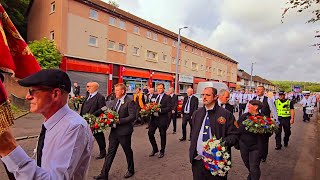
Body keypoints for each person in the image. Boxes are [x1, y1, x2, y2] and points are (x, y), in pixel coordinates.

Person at [0, 69, 94, 179]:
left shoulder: (74, 127)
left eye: (32, 91)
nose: (27, 97)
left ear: (55, 94)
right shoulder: (51, 122)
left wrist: (10, 149)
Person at [189, 87, 238, 180]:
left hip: (216, 161)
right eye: (203, 95)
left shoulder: (226, 114)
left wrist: (221, 144)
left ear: (215, 97)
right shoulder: (197, 113)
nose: (204, 97)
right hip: (198, 160)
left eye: (207, 95)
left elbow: (235, 135)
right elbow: (193, 133)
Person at [94, 83, 136, 180]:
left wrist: (119, 121)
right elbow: (109, 110)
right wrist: (102, 117)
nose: (115, 92)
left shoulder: (130, 102)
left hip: (124, 132)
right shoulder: (115, 100)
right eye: (115, 90)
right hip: (114, 132)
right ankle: (104, 174)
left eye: (117, 90)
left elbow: (132, 116)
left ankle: (131, 169)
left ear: (122, 91)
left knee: (127, 151)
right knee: (110, 153)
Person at [238, 100, 271, 180]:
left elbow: (269, 133)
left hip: (256, 147)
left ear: (256, 107)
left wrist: (262, 130)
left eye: (249, 105)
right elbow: (237, 128)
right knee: (248, 165)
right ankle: (251, 176)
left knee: (254, 167)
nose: (248, 106)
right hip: (244, 146)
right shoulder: (244, 116)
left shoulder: (263, 118)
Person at [247, 86, 278, 162]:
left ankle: (263, 155)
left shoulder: (268, 100)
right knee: (254, 140)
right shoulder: (252, 100)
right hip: (253, 123)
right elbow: (246, 110)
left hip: (264, 124)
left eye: (260, 90)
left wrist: (275, 121)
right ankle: (255, 154)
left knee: (264, 140)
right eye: (257, 89)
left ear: (264, 91)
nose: (257, 91)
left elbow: (273, 110)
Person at [80, 82, 107, 159]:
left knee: (99, 136)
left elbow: (104, 108)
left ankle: (103, 151)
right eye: (87, 86)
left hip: (94, 121)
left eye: (89, 86)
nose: (87, 88)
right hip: (84, 120)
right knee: (84, 136)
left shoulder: (100, 97)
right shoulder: (88, 95)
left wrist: (93, 114)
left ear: (95, 88)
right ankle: (84, 152)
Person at [148, 83, 171, 158]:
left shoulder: (167, 97)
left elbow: (169, 108)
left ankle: (162, 151)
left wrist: (160, 110)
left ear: (164, 88)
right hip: (154, 119)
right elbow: (150, 104)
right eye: (158, 88)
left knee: (162, 135)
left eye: (161, 88)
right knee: (150, 133)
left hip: (162, 119)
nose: (159, 90)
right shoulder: (154, 96)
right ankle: (155, 149)